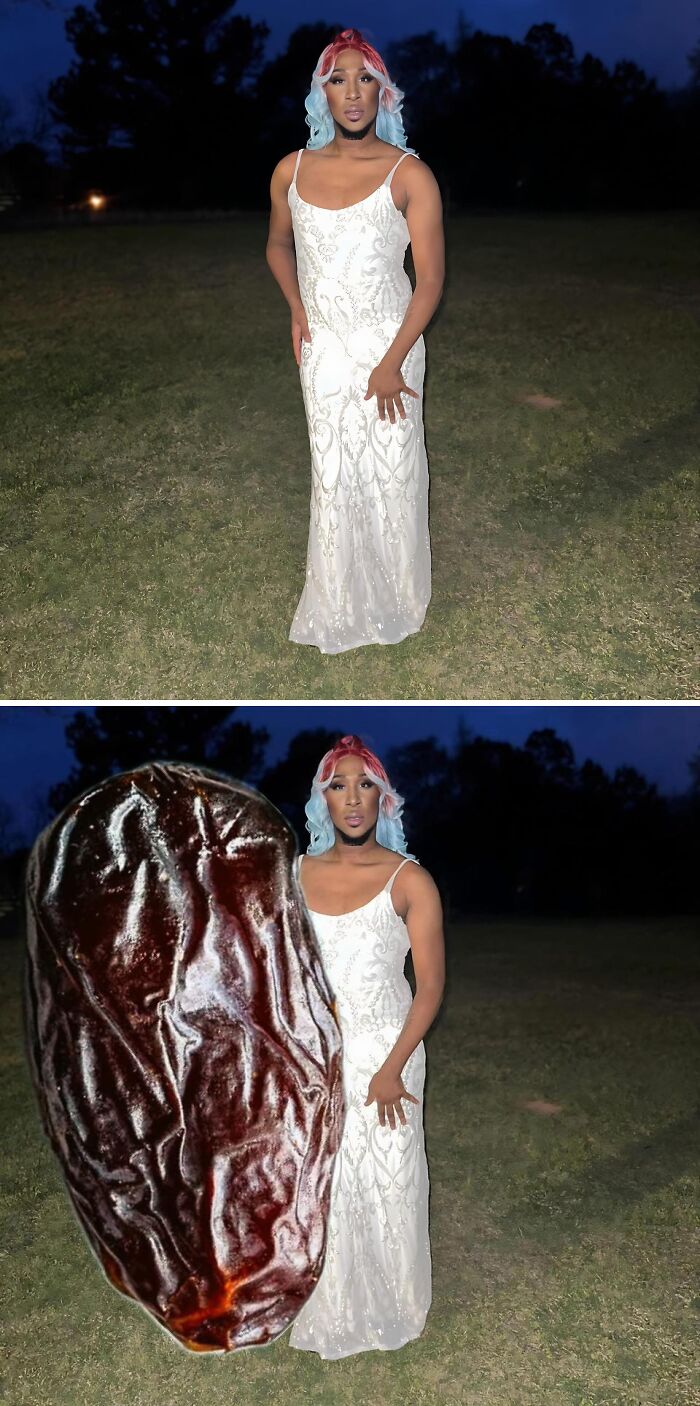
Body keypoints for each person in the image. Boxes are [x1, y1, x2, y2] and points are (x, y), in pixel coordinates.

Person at [266, 29, 445, 654]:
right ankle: (339, 596)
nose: (352, 92)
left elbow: (430, 282)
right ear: (322, 93)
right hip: (324, 350)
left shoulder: (410, 175)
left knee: (393, 471)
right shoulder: (290, 170)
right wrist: (296, 309)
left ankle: (397, 591)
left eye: (364, 79)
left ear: (383, 93)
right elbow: (278, 245)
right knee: (334, 473)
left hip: (391, 344)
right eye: (338, 79)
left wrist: (392, 362)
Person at [288, 734, 445, 1359]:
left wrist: (391, 1068)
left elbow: (430, 987)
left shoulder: (411, 880)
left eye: (364, 784)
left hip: (390, 1049)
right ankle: (327, 1297)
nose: (352, 798)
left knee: (389, 1173)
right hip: (318, 1052)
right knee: (326, 1180)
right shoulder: (295, 874)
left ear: (384, 797)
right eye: (337, 784)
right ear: (321, 799)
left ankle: (398, 1298)